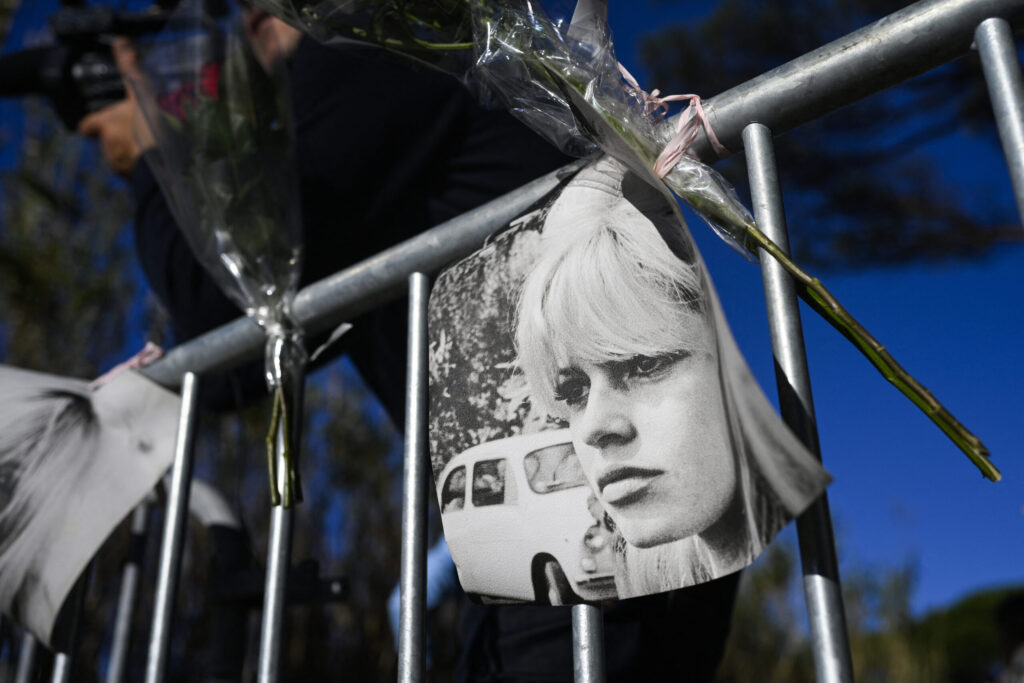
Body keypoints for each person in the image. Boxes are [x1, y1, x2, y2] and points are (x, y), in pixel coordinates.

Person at [80, 9, 744, 682]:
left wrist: (149, 145)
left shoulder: (367, 51)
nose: (245, 14)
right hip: (566, 499)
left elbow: (210, 294)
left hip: (582, 492)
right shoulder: (388, 94)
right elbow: (238, 362)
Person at [515, 156, 831, 597]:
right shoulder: (645, 577)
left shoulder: (827, 569)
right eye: (573, 390)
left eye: (644, 364)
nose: (593, 428)